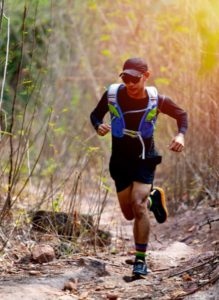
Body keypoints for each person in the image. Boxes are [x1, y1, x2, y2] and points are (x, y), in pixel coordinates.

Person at [90, 57, 188, 277]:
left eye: (135, 79)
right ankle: (154, 197)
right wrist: (98, 126)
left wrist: (180, 135)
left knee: (138, 205)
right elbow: (95, 115)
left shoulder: (157, 99)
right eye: (126, 78)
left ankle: (140, 261)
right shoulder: (113, 95)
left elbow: (182, 115)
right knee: (128, 214)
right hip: (120, 161)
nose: (130, 84)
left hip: (145, 158)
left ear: (146, 76)